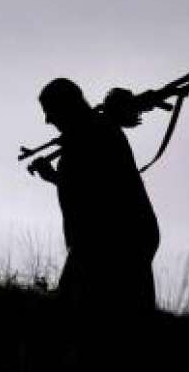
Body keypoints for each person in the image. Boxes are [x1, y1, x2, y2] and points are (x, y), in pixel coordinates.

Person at [27, 79, 160, 327]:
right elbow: (90, 190)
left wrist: (55, 176)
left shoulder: (92, 133)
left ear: (66, 106)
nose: (47, 120)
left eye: (50, 111)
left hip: (112, 240)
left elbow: (96, 193)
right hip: (116, 238)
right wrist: (54, 177)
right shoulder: (92, 132)